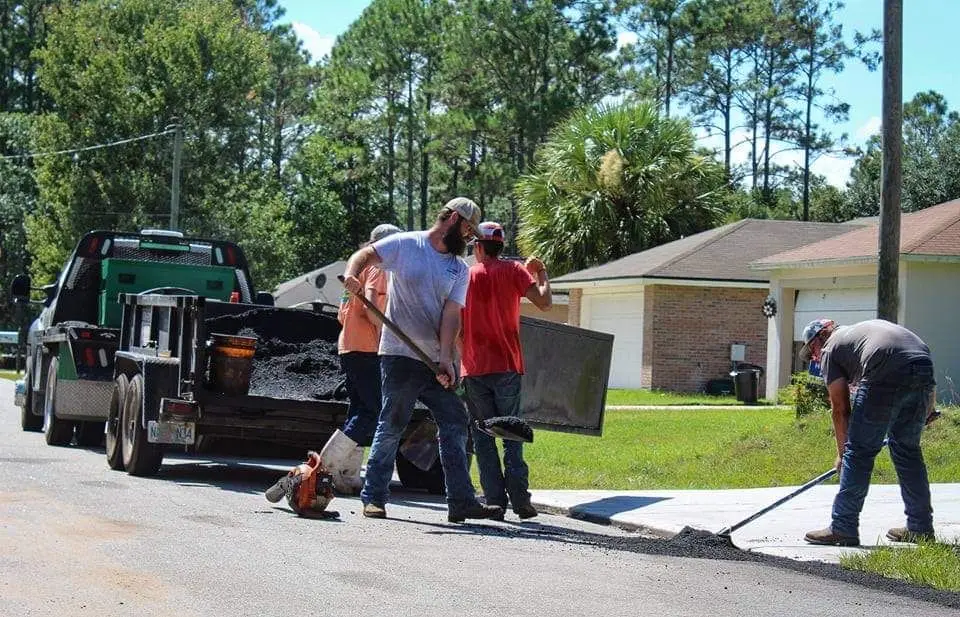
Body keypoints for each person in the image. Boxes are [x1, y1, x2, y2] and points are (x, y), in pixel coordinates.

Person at [341, 197, 504, 523]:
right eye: (469, 230)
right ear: (454, 219)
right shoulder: (407, 244)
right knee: (392, 422)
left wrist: (446, 359)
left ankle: (460, 502)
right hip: (400, 355)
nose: (471, 239)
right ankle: (374, 497)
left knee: (455, 422)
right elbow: (365, 254)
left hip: (434, 359)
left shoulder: (458, 269)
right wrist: (352, 274)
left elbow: (451, 315)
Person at [800, 318, 937, 547]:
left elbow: (840, 409)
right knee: (907, 451)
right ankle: (920, 527)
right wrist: (927, 409)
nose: (814, 357)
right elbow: (921, 365)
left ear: (821, 336)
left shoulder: (830, 348)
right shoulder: (857, 336)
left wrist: (843, 454)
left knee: (859, 452)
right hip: (922, 368)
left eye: (812, 350)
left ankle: (843, 527)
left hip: (885, 371)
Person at [460, 221, 552, 520]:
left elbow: (454, 323)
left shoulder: (465, 275)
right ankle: (521, 501)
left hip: (473, 368)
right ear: (499, 245)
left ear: (478, 247)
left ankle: (495, 503)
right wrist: (540, 271)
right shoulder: (514, 271)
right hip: (507, 366)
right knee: (512, 434)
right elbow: (545, 302)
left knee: (484, 436)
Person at [320, 223, 401, 494]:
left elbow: (341, 315)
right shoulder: (378, 268)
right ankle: (326, 465)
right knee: (373, 411)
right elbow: (373, 310)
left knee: (359, 409)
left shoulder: (356, 270)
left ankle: (348, 475)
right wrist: (389, 333)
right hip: (368, 348)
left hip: (349, 346)